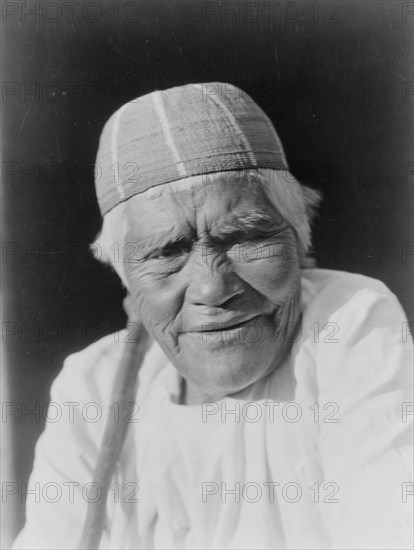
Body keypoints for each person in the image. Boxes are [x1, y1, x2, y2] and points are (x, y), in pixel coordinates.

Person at [13, 82, 413, 550]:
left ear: (300, 242)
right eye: (168, 251)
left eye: (245, 237)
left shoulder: (347, 321)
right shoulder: (91, 389)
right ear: (126, 281)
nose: (211, 287)